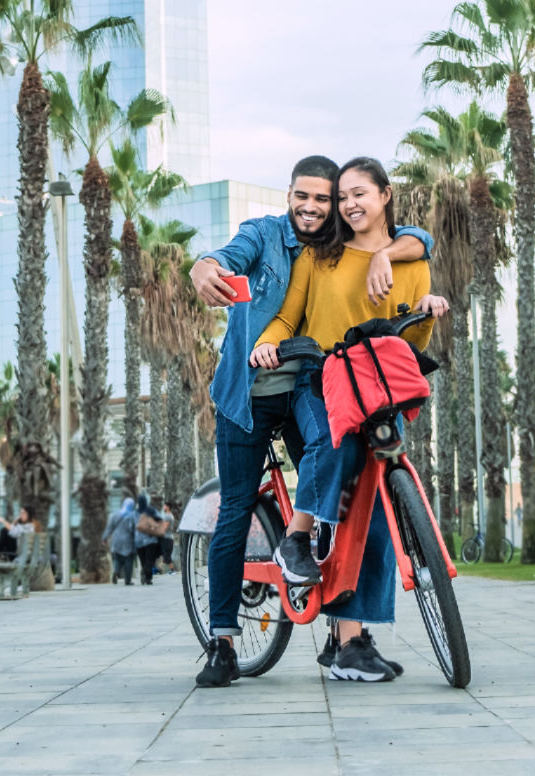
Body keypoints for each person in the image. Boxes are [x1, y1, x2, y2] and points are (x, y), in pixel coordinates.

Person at [191, 155, 434, 689]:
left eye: (324, 198)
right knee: (235, 508)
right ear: (289, 196)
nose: (315, 207)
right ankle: (224, 643)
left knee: (346, 500)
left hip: (312, 388)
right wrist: (205, 265)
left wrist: (393, 250)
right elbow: (231, 256)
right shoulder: (266, 235)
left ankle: (346, 639)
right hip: (249, 394)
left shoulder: (342, 247)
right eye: (305, 196)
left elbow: (415, 236)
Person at [134, 493, 170, 585]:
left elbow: (132, 525)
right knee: (149, 560)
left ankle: (144, 572)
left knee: (143, 560)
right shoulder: (151, 511)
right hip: (151, 539)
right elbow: (161, 519)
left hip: (138, 541)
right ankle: (148, 578)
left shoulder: (135, 512)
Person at [105, 497, 138, 585]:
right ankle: (127, 580)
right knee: (128, 560)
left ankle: (116, 571)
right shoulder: (131, 515)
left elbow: (109, 528)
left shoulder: (115, 514)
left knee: (117, 559)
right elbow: (133, 529)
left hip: (116, 540)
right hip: (127, 541)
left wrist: (104, 538)